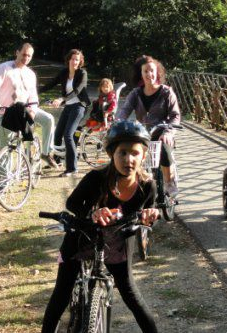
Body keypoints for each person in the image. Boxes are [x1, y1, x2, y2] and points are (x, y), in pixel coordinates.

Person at [41, 120, 160, 333]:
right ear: (111, 154)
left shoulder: (147, 185)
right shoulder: (96, 178)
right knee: (61, 294)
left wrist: (150, 215)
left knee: (132, 296)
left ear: (143, 155)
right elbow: (72, 203)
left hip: (117, 243)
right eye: (122, 153)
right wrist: (92, 212)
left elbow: (147, 211)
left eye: (134, 153)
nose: (128, 159)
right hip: (82, 237)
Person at [116, 56, 181, 195]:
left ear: (157, 72)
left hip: (162, 131)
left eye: (151, 70)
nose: (149, 74)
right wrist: (118, 122)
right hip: (142, 133)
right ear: (141, 74)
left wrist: (168, 132)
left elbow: (175, 116)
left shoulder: (166, 92)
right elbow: (124, 110)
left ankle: (169, 181)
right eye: (145, 71)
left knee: (163, 146)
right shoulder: (136, 93)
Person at [0, 42, 56, 168]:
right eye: (24, 54)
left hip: (25, 110)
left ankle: (45, 152)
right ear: (17, 52)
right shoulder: (5, 68)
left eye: (29, 56)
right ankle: (2, 182)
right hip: (7, 111)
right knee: (6, 148)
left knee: (48, 119)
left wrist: (33, 111)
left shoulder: (30, 74)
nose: (26, 58)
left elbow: (33, 96)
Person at [41, 49, 90, 177]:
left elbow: (78, 90)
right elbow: (51, 84)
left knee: (68, 135)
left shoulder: (82, 73)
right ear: (68, 59)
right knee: (57, 134)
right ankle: (57, 161)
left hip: (79, 106)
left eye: (77, 60)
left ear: (80, 62)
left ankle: (72, 168)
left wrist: (62, 99)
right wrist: (34, 91)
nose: (74, 61)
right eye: (73, 59)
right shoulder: (64, 73)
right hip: (68, 107)